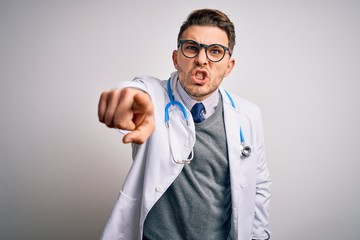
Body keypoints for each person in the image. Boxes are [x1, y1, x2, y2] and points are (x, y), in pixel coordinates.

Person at [98, 8, 271, 240]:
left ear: (229, 66)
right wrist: (127, 102)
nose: (201, 59)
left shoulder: (249, 115)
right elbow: (133, 93)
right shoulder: (153, 96)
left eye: (215, 51)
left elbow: (258, 186)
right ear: (176, 58)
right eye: (191, 48)